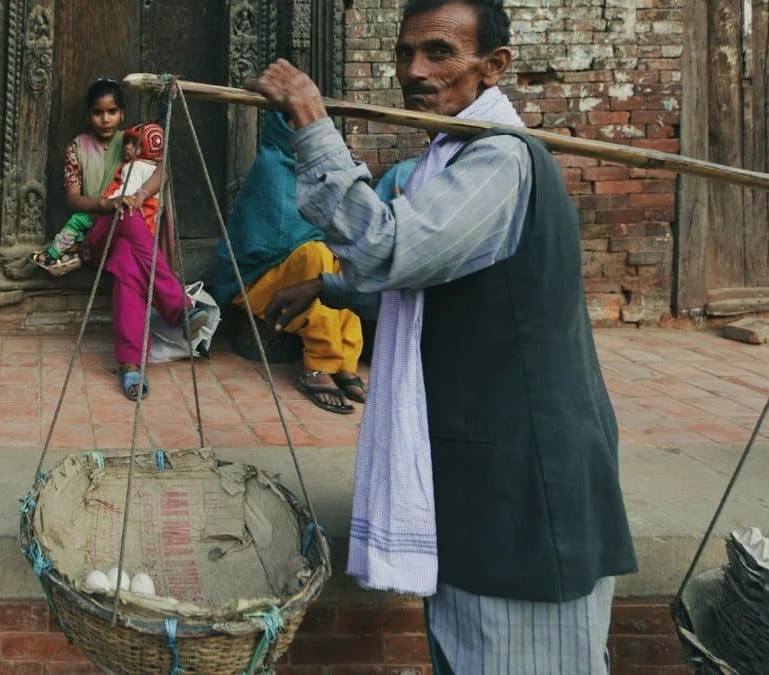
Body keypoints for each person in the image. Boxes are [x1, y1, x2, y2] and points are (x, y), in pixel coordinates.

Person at [246, 1, 638, 672]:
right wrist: (328, 288)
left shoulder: (498, 164)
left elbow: (391, 248)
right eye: (405, 54)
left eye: (438, 53)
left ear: (495, 67)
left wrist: (313, 125)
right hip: (477, 489)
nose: (414, 70)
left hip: (526, 496)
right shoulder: (451, 158)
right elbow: (439, 276)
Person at [212, 111, 403, 414]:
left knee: (341, 257)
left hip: (307, 272)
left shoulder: (322, 169)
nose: (302, 130)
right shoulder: (270, 165)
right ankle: (318, 365)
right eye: (293, 123)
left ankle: (345, 364)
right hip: (257, 279)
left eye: (306, 123)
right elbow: (269, 236)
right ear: (279, 126)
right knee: (316, 255)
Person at [38, 78, 206, 400]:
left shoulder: (132, 141)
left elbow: (162, 171)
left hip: (131, 238)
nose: (106, 119)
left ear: (121, 113)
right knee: (124, 216)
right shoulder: (77, 147)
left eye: (112, 112)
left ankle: (131, 365)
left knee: (128, 260)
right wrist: (108, 204)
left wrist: (138, 195)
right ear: (89, 114)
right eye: (99, 113)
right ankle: (178, 306)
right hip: (96, 235)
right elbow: (73, 199)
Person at [33, 121, 165, 275]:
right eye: (127, 142)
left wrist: (106, 205)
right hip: (146, 228)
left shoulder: (134, 167)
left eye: (135, 144)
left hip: (117, 216)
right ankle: (73, 254)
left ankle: (51, 255)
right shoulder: (154, 170)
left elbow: (125, 194)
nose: (128, 147)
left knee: (77, 220)